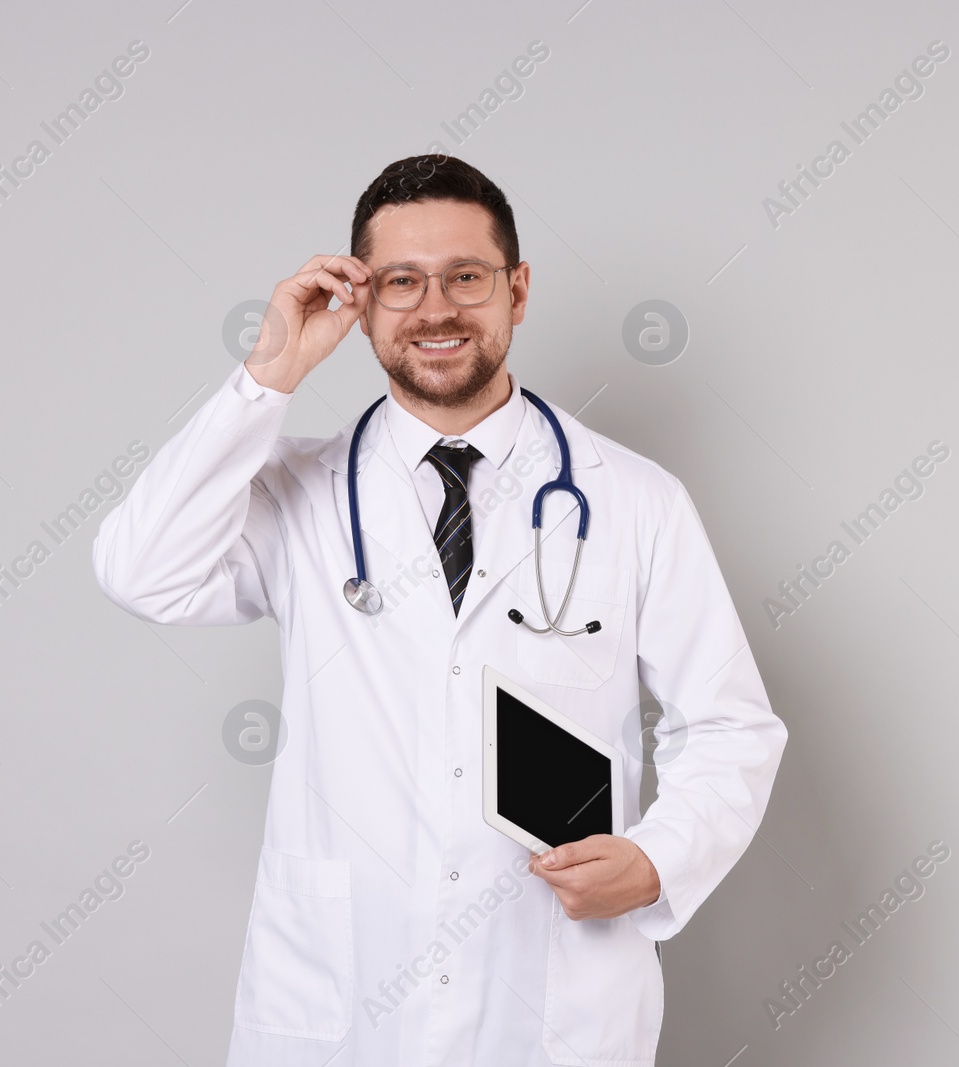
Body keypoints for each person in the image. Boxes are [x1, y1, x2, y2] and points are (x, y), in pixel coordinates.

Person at [91, 155, 787, 1067]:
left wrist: (660, 857)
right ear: (361, 300)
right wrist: (269, 375)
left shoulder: (635, 500)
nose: (436, 309)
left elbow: (733, 725)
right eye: (400, 283)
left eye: (466, 276)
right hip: (343, 996)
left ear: (518, 289)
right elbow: (140, 570)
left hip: (552, 997)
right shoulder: (298, 491)